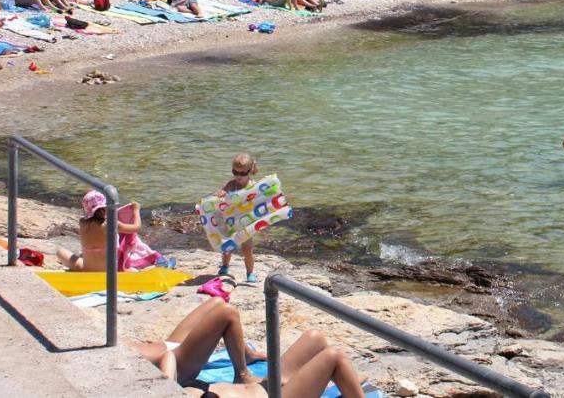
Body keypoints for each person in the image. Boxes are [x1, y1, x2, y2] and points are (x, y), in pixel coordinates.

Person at [128, 297, 367, 398]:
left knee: (315, 337)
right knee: (335, 357)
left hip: (264, 385)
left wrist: (169, 382)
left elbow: (169, 357)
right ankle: (346, 383)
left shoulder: (179, 392)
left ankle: (347, 383)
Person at [56, 190, 139, 272]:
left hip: (87, 269)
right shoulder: (111, 223)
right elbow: (136, 228)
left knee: (60, 252)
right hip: (110, 272)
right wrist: (136, 210)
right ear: (104, 208)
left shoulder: (82, 222)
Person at [217, 154, 260, 283]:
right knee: (227, 247)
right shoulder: (231, 184)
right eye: (235, 172)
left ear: (250, 171)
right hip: (230, 222)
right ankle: (225, 266)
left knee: (247, 251)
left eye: (243, 173)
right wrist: (221, 193)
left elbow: (261, 204)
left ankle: (250, 273)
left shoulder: (254, 186)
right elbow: (220, 195)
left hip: (247, 224)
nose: (239, 176)